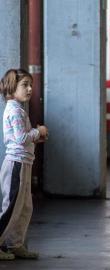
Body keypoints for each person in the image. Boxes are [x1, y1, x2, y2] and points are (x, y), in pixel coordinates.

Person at [0, 69, 48, 260]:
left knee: (25, 207)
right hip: (16, 165)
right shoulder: (14, 110)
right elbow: (20, 138)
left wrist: (36, 137)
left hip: (24, 163)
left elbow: (20, 138)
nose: (29, 89)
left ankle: (14, 243)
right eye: (24, 85)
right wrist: (38, 131)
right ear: (12, 88)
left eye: (31, 85)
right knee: (11, 206)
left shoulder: (18, 109)